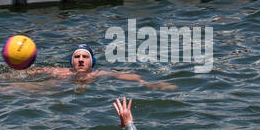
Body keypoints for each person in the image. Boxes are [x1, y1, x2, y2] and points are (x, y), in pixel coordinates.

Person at [21, 43, 174, 89]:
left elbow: (124, 76)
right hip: (61, 87)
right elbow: (30, 72)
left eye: (85, 57)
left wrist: (148, 83)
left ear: (92, 61)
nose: (81, 60)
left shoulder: (99, 74)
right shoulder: (59, 71)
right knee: (45, 86)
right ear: (72, 62)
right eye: (77, 57)